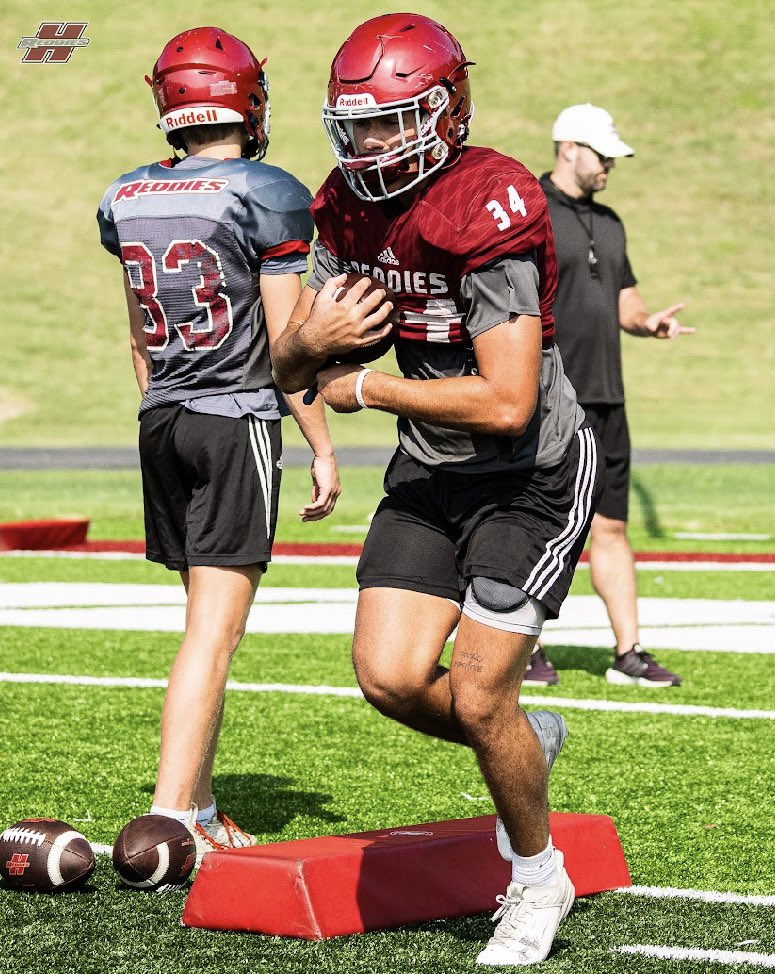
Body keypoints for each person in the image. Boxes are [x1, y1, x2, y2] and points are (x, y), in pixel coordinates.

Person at [271, 14, 605, 966]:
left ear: (445, 109)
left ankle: (538, 877)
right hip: (431, 466)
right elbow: (287, 359)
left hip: (530, 473)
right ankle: (521, 743)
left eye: (390, 122)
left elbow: (503, 402)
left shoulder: (486, 199)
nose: (368, 145)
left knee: (477, 688)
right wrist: (308, 346)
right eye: (356, 124)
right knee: (386, 677)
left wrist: (365, 384)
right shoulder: (344, 204)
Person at [97, 26, 340, 870]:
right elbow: (289, 341)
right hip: (234, 420)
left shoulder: (124, 195)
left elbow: (137, 335)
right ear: (248, 99)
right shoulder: (266, 189)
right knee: (213, 632)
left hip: (161, 416)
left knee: (199, 624)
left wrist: (167, 408)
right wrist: (320, 442)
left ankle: (198, 800)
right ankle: (172, 819)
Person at [523, 103, 694, 690]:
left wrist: (649, 324)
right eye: (604, 156)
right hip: (549, 397)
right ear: (568, 147)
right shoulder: (530, 211)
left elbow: (625, 303)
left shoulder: (611, 221)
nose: (610, 167)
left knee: (612, 529)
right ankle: (524, 648)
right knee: (536, 522)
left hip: (608, 400)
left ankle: (630, 653)